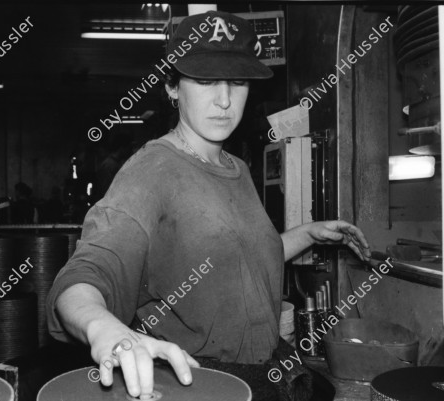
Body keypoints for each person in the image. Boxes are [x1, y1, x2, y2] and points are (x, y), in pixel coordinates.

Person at [46, 10, 371, 401]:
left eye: (237, 82)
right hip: (200, 383)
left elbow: (236, 259)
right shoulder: (151, 172)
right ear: (172, 87)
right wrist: (105, 330)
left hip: (270, 372)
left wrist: (309, 233)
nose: (224, 100)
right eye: (204, 81)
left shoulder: (238, 168)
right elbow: (83, 278)